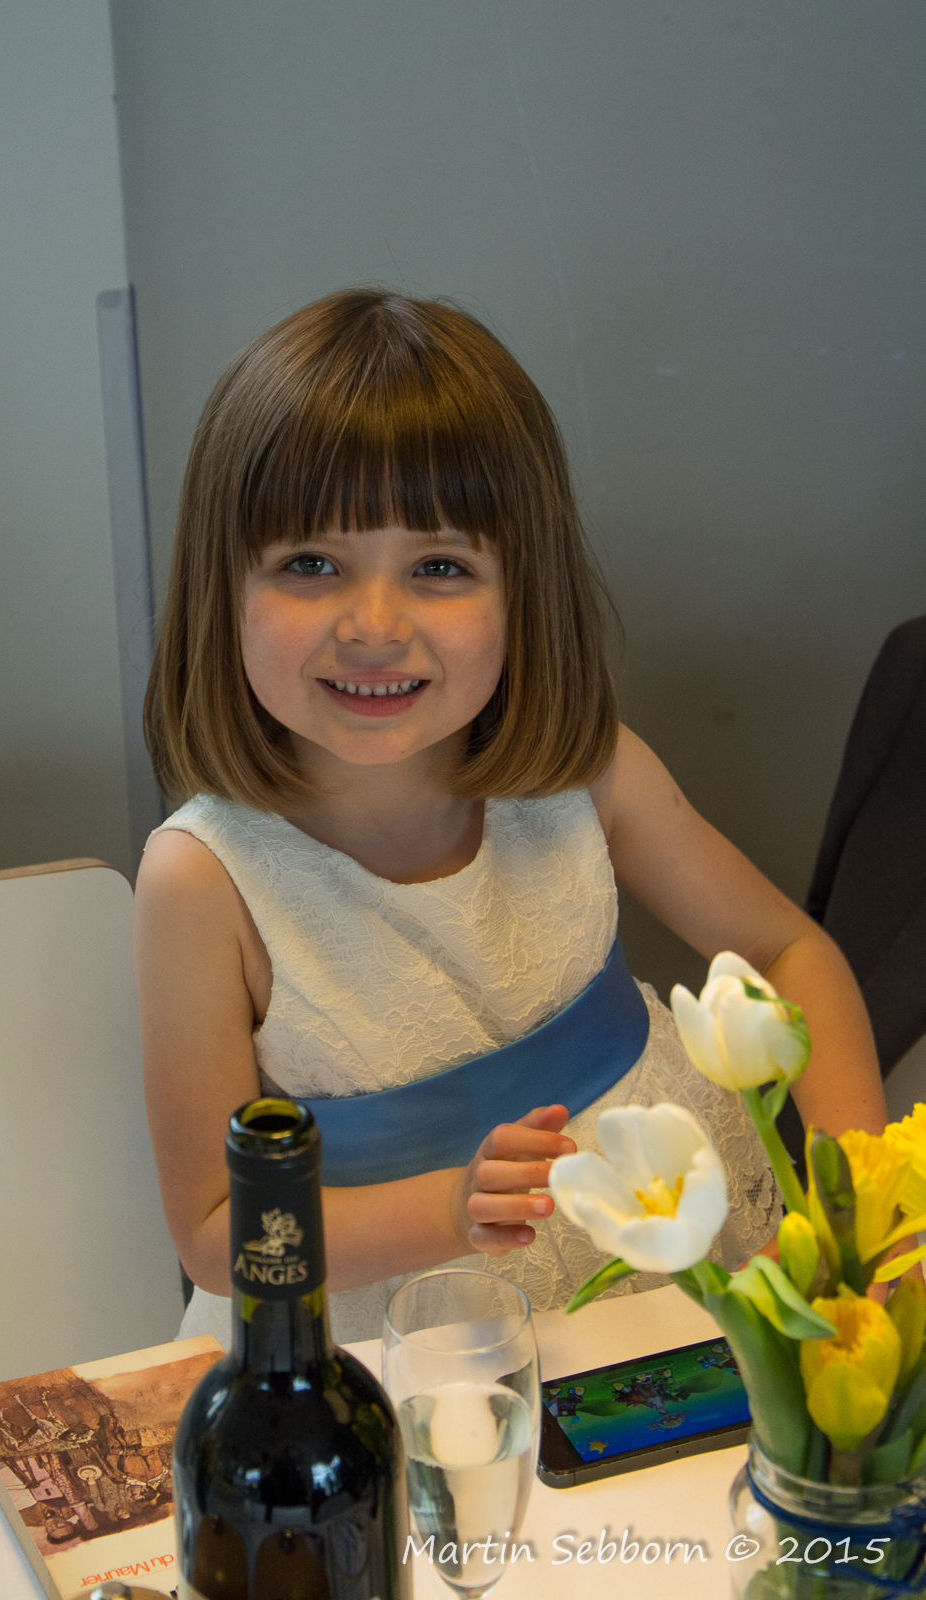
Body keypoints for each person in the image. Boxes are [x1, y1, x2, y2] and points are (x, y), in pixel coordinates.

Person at [134, 288, 887, 1346]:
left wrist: (865, 1220)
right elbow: (217, 1232)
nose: (373, 625)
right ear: (222, 587)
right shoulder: (200, 882)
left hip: (668, 1291)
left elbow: (786, 951)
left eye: (439, 567)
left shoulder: (587, 770)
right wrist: (448, 1210)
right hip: (387, 1349)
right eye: (310, 564)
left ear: (521, 588)